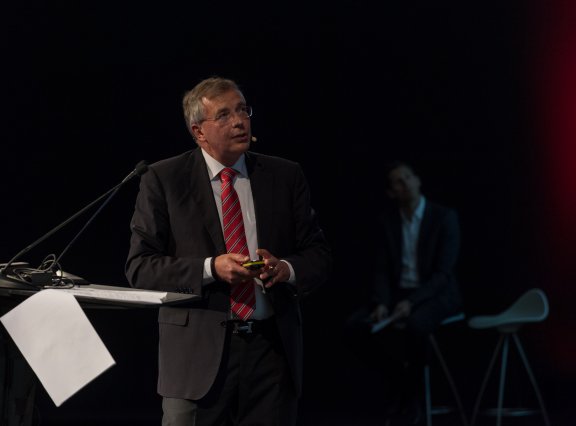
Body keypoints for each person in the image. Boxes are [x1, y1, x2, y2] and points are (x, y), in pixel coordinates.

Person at [125, 76, 332, 426]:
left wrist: (285, 268)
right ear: (198, 132)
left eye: (242, 110)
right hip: (196, 358)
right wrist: (211, 268)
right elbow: (140, 267)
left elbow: (318, 254)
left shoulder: (284, 175)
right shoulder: (164, 179)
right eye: (223, 115)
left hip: (271, 356)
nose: (239, 121)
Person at [344, 160, 462, 425]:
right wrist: (382, 303)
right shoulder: (388, 221)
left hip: (435, 295)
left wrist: (411, 302)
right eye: (398, 182)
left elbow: (443, 274)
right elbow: (381, 269)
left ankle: (412, 398)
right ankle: (399, 379)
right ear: (391, 192)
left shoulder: (444, 217)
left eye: (407, 177)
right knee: (354, 328)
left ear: (418, 180)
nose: (405, 184)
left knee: (415, 326)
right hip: (399, 293)